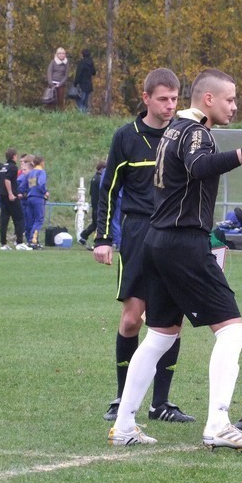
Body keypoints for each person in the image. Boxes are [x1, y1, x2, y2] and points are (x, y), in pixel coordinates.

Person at [107, 68, 242, 449]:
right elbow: (199, 167)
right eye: (230, 99)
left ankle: (125, 424)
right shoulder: (195, 132)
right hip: (183, 243)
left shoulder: (172, 129)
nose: (235, 106)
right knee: (233, 330)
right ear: (208, 99)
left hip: (157, 242)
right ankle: (218, 424)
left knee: (160, 334)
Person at [94, 68, 194, 424]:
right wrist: (104, 238)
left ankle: (161, 403)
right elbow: (107, 189)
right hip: (137, 234)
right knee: (132, 320)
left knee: (170, 322)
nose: (170, 106)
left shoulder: (184, 135)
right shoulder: (126, 137)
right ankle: (122, 398)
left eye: (175, 99)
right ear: (146, 98)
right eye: (163, 99)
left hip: (174, 235)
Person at [0, 148, 31, 251]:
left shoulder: (2, 167)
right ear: (14, 156)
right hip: (11, 197)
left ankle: (3, 244)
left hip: (2, 197)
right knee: (19, 218)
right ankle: (19, 242)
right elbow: (7, 180)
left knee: (4, 220)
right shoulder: (13, 167)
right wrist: (11, 193)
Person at [79, 160, 106, 250]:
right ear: (102, 169)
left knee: (95, 223)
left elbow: (91, 192)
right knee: (99, 224)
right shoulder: (100, 180)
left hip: (94, 204)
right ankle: (96, 241)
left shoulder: (94, 178)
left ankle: (83, 235)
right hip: (99, 205)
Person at [25, 155, 49, 249]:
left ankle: (30, 240)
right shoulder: (41, 172)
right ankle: (33, 240)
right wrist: (45, 192)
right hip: (38, 197)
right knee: (39, 219)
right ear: (41, 162)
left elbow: (27, 185)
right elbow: (41, 183)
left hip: (30, 197)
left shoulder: (31, 173)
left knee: (31, 220)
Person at [73, 49, 97, 113]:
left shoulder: (81, 63)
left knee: (79, 101)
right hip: (89, 85)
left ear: (82, 54)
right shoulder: (91, 63)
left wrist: (75, 83)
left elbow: (78, 74)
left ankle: (83, 114)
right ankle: (86, 113)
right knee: (85, 101)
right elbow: (94, 72)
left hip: (82, 85)